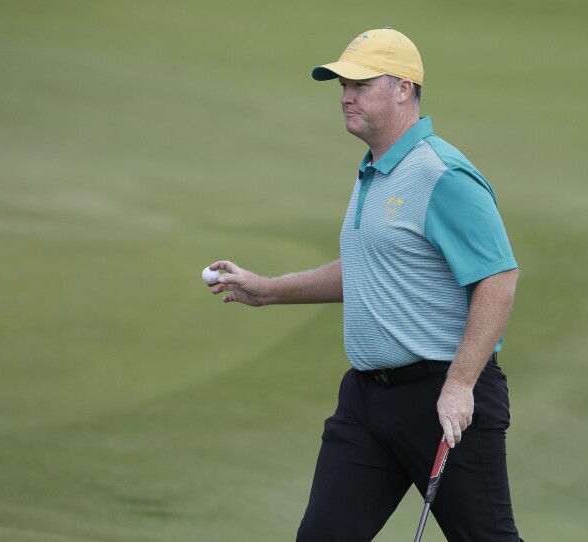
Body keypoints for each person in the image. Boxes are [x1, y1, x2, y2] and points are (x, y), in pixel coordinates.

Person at [207, 27, 523, 541]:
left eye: (359, 84)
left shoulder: (440, 174)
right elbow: (366, 268)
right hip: (366, 402)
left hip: (442, 400)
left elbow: (499, 277)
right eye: (341, 85)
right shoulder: (376, 171)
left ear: (403, 88)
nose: (345, 96)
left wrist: (461, 384)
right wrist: (268, 290)